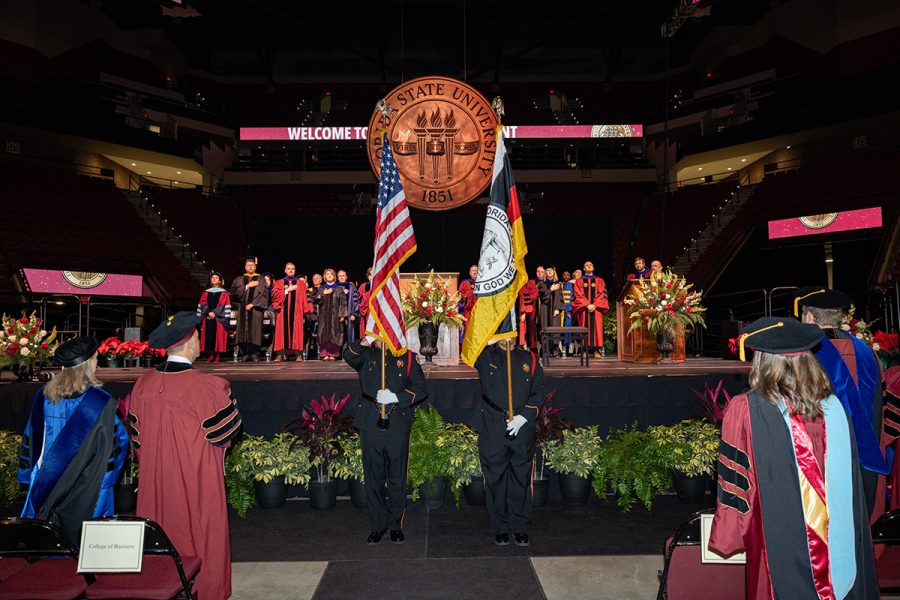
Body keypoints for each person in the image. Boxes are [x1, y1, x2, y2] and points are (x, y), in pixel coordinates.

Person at [710, 317, 878, 599]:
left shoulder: (746, 409)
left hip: (776, 539)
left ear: (763, 361)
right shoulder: (835, 407)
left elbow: (737, 486)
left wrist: (730, 532)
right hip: (840, 540)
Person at [129, 312, 242, 600]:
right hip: (195, 479)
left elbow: (136, 439)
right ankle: (206, 589)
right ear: (191, 341)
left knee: (161, 528)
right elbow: (226, 433)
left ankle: (161, 587)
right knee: (201, 531)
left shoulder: (142, 384)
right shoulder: (206, 386)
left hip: (156, 480)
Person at [18, 337, 128, 543]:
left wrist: (26, 474)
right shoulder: (100, 403)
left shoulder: (43, 396)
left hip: (46, 481)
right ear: (87, 365)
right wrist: (105, 480)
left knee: (46, 540)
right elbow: (117, 444)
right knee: (85, 543)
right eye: (96, 359)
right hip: (87, 484)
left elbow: (29, 439)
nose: (98, 364)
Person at [796, 287, 889, 516]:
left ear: (809, 317)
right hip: (864, 451)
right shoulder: (867, 352)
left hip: (822, 455)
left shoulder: (805, 355)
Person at [343, 337, 427, 545]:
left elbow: (421, 389)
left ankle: (394, 525)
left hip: (397, 421)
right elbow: (348, 356)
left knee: (397, 478)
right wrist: (365, 341)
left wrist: (397, 398)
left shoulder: (407, 358)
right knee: (374, 478)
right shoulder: (366, 356)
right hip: (370, 422)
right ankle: (377, 526)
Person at [471, 338, 545, 547]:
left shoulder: (529, 358)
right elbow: (471, 353)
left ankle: (520, 527)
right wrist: (488, 340)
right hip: (493, 425)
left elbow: (539, 391)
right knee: (495, 478)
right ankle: (501, 527)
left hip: (521, 426)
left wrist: (525, 417)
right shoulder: (486, 357)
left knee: (521, 478)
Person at [230, 256, 270, 362]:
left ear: (255, 267)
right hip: (242, 310)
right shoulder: (239, 279)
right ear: (245, 267)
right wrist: (247, 286)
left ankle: (255, 354)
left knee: (255, 331)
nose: (250, 267)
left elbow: (264, 295)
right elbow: (233, 294)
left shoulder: (261, 279)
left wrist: (252, 304)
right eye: (248, 265)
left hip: (256, 310)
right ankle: (246, 354)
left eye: (252, 265)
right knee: (243, 331)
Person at [271, 262, 312, 362]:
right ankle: (279, 355)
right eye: (288, 269)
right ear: (285, 270)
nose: (290, 270)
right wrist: (287, 290)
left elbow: (306, 298)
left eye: (292, 269)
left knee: (297, 332)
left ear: (295, 270)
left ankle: (298, 355)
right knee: (281, 333)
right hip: (282, 312)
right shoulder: (279, 282)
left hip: (296, 313)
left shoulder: (301, 284)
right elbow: (274, 296)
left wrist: (306, 309)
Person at [572, 261, 609, 359]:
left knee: (597, 328)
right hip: (584, 309)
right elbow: (577, 295)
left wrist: (595, 305)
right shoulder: (579, 281)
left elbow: (603, 294)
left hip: (596, 309)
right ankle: (584, 350)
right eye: (586, 265)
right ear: (584, 269)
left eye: (590, 265)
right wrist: (587, 305)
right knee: (584, 327)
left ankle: (596, 350)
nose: (589, 266)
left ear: (593, 268)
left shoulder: (600, 280)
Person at [197, 272, 231, 363]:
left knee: (218, 336)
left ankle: (218, 355)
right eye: (213, 277)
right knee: (209, 336)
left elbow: (224, 305)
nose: (214, 279)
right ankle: (211, 355)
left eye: (216, 277)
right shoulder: (206, 292)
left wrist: (214, 313)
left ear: (220, 281)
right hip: (208, 317)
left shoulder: (224, 293)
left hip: (219, 318)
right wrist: (208, 312)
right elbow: (202, 304)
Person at [317, 268, 348, 360]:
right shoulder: (322, 288)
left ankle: (334, 354)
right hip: (324, 315)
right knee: (323, 333)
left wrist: (342, 315)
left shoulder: (338, 289)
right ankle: (325, 354)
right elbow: (317, 301)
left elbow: (343, 303)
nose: (329, 275)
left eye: (331, 274)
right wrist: (324, 293)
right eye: (327, 274)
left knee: (335, 332)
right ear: (325, 277)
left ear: (334, 277)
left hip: (335, 315)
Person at [518, 270, 540, 351]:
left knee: (528, 328)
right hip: (517, 310)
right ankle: (521, 345)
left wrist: (524, 312)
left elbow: (532, 296)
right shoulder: (516, 284)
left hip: (527, 311)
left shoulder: (530, 283)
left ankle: (530, 347)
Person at [337, 269, 360, 345]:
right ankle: (338, 353)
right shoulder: (335, 286)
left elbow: (355, 300)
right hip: (337, 314)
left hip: (350, 312)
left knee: (350, 334)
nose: (341, 277)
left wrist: (354, 313)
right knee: (338, 334)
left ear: (346, 277)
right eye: (339, 276)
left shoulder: (351, 286)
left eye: (343, 276)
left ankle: (350, 353)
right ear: (337, 278)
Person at [357, 268, 373, 340]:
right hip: (367, 312)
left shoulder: (382, 286)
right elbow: (359, 299)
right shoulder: (364, 286)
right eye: (369, 274)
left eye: (373, 274)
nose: (371, 276)